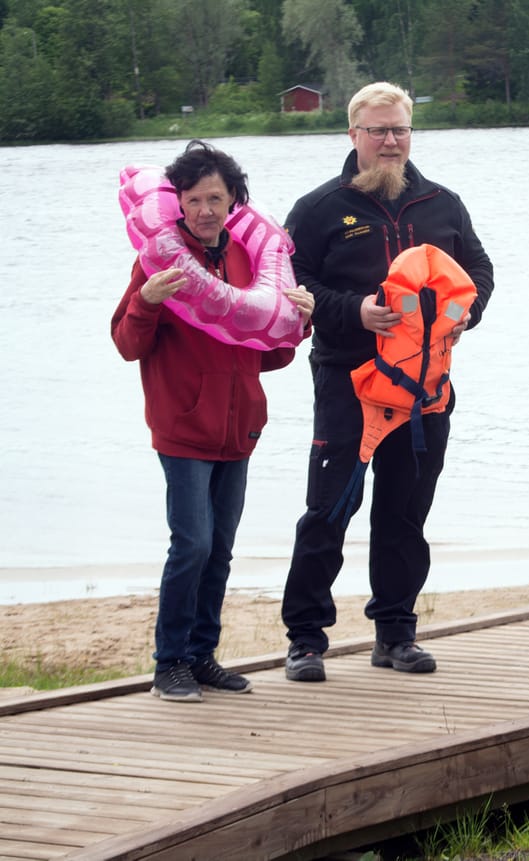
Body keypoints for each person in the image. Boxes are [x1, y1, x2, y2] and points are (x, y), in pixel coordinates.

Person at [280, 81, 494, 683]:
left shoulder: (442, 204)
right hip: (348, 380)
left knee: (404, 514)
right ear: (354, 134)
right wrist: (354, 311)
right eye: (378, 131)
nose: (391, 141)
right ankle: (305, 640)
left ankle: (396, 634)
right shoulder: (320, 208)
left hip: (426, 387)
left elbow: (478, 270)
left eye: (400, 129)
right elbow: (291, 280)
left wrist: (466, 314)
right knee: (329, 509)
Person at [112, 140, 314, 703]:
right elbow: (127, 344)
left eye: (215, 199)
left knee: (220, 548)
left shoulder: (252, 262)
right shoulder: (157, 261)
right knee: (192, 546)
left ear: (233, 203)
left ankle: (202, 657)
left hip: (239, 429)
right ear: (178, 202)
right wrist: (146, 300)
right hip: (182, 427)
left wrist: (300, 324)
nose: (204, 210)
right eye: (194, 199)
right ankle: (169, 664)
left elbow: (267, 356)